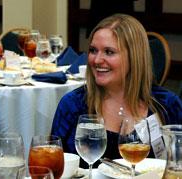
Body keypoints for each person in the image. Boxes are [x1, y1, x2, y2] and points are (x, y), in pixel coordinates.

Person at [51, 14, 182, 167]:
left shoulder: (166, 105)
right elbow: (52, 166)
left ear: (134, 57)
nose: (97, 60)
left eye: (109, 52)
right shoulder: (73, 105)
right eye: (93, 50)